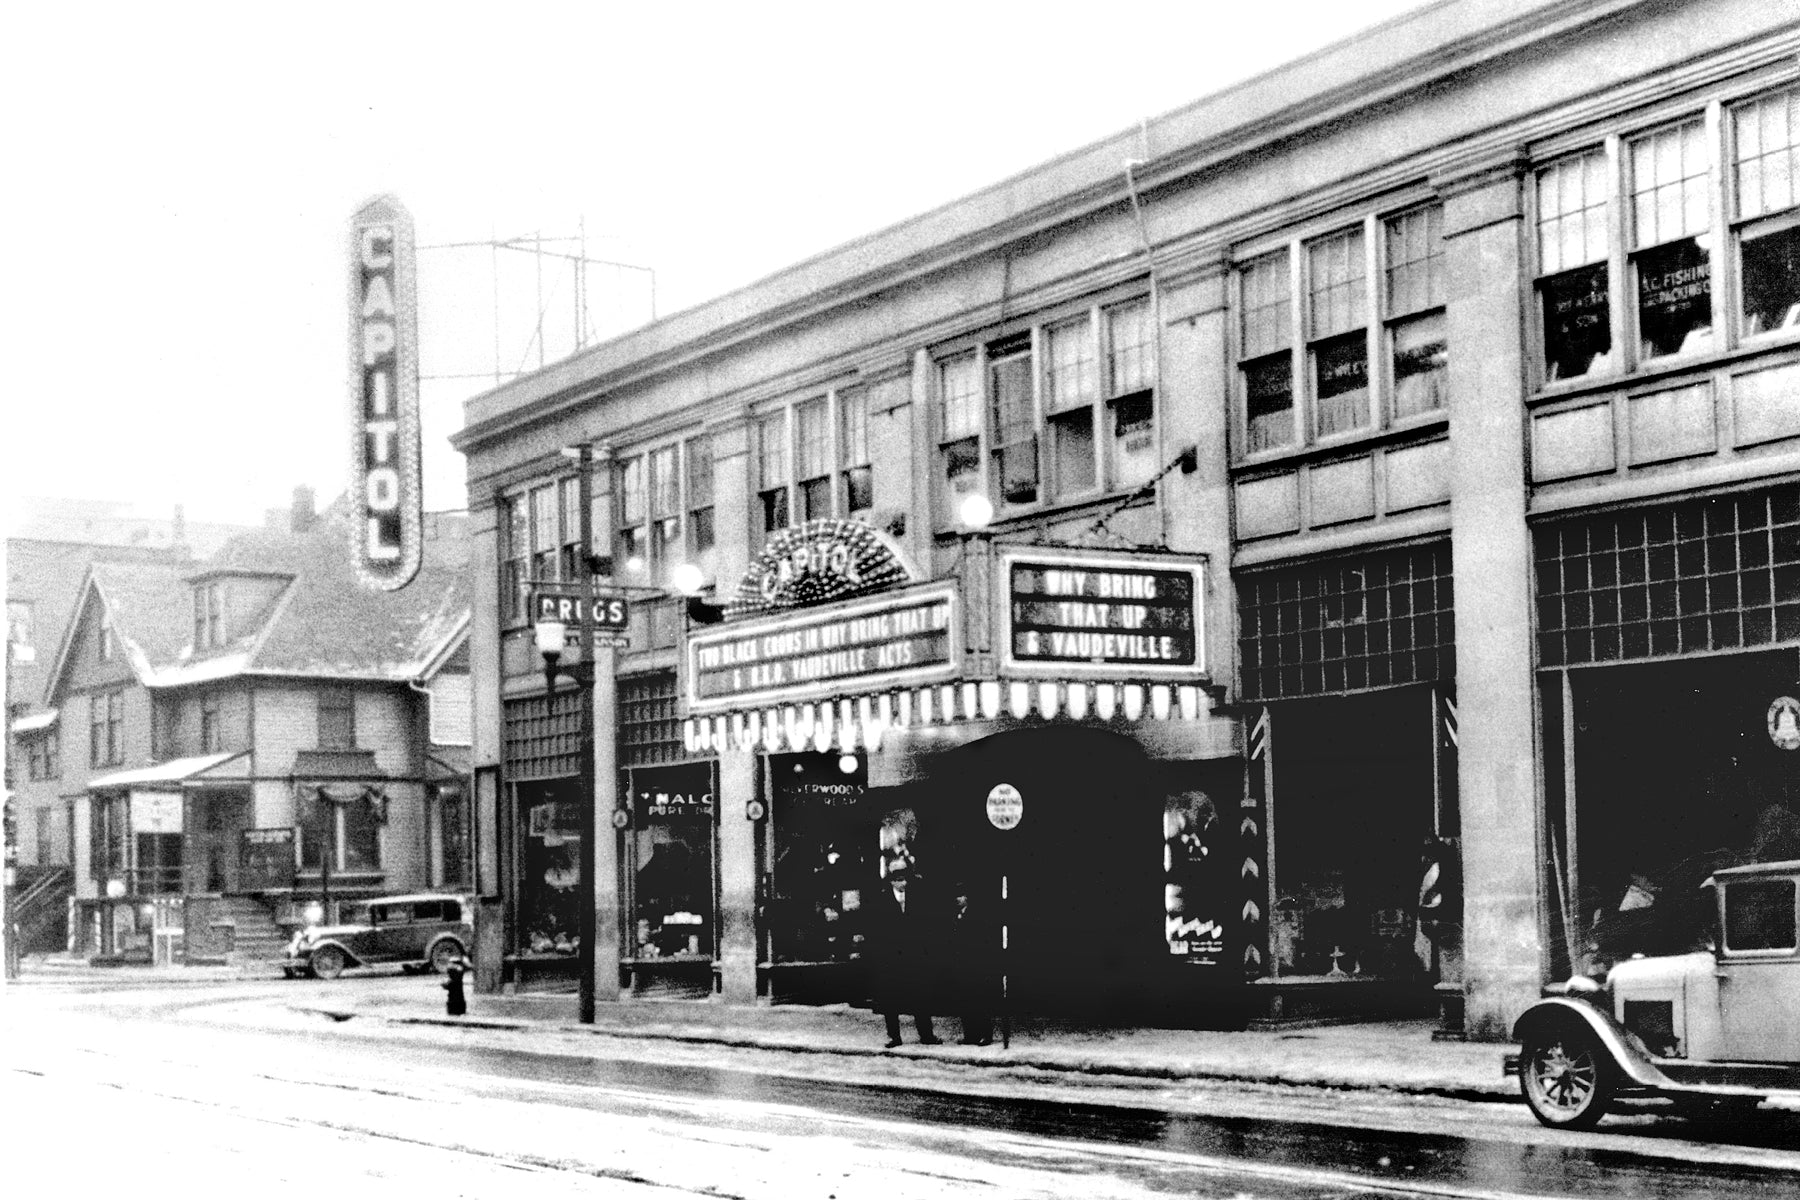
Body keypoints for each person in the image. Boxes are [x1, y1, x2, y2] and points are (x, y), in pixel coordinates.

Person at [866, 866, 941, 1049]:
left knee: (920, 996)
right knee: (890, 999)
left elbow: (923, 926)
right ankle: (894, 1037)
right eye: (898, 880)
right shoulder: (881, 900)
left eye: (904, 880)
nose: (902, 883)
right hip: (891, 959)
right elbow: (875, 930)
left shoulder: (916, 899)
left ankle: (926, 1035)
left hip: (913, 957)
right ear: (891, 881)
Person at [950, 887, 994, 1046]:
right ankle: (970, 1035)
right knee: (965, 1001)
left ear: (968, 897)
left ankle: (985, 1035)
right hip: (961, 965)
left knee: (979, 1001)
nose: (958, 899)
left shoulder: (976, 916)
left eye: (961, 896)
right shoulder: (955, 916)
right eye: (956, 896)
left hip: (975, 964)